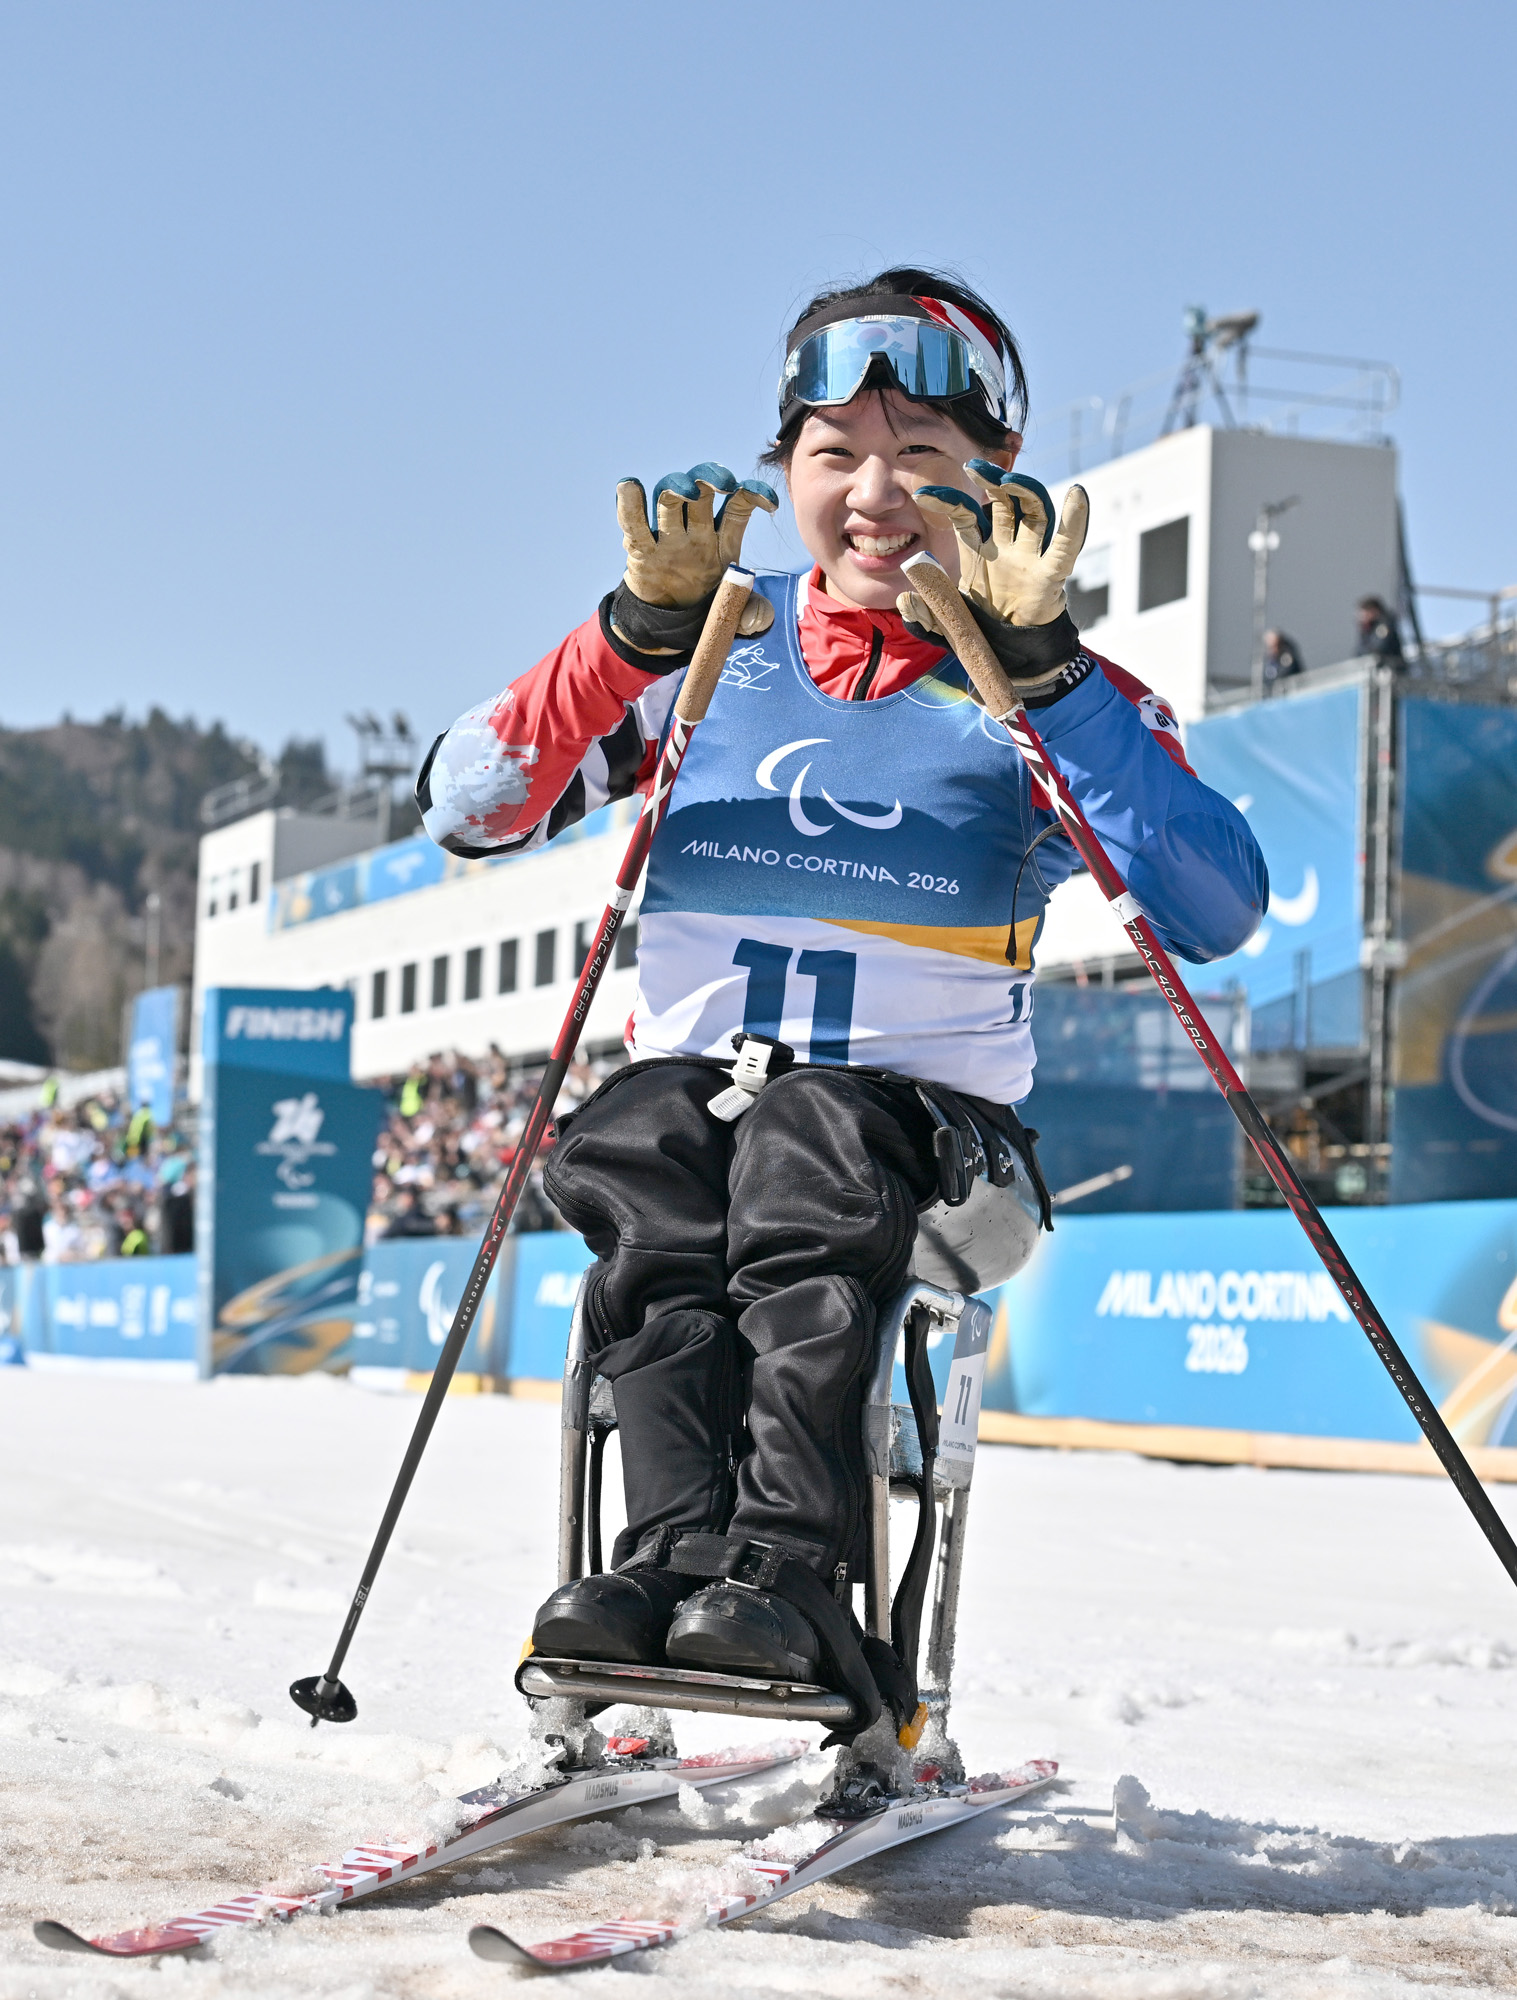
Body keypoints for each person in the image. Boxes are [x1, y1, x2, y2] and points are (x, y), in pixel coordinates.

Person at [418, 267, 1267, 1730]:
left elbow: (1218, 909)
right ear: (782, 474)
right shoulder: (705, 671)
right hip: (704, 1113)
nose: (876, 493)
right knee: (639, 1133)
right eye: (834, 454)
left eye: (923, 458)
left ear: (996, 484)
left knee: (805, 1132)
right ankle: (676, 1561)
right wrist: (624, 634)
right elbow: (465, 803)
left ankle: (798, 1571)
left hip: (939, 1151)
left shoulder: (1042, 695)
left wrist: (1050, 678)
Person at [1356, 595, 1404, 667]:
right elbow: (1360, 650)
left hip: (1392, 666)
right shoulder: (1369, 627)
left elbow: (1379, 647)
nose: (1362, 618)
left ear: (1373, 611)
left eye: (1365, 614)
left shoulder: (1385, 623)